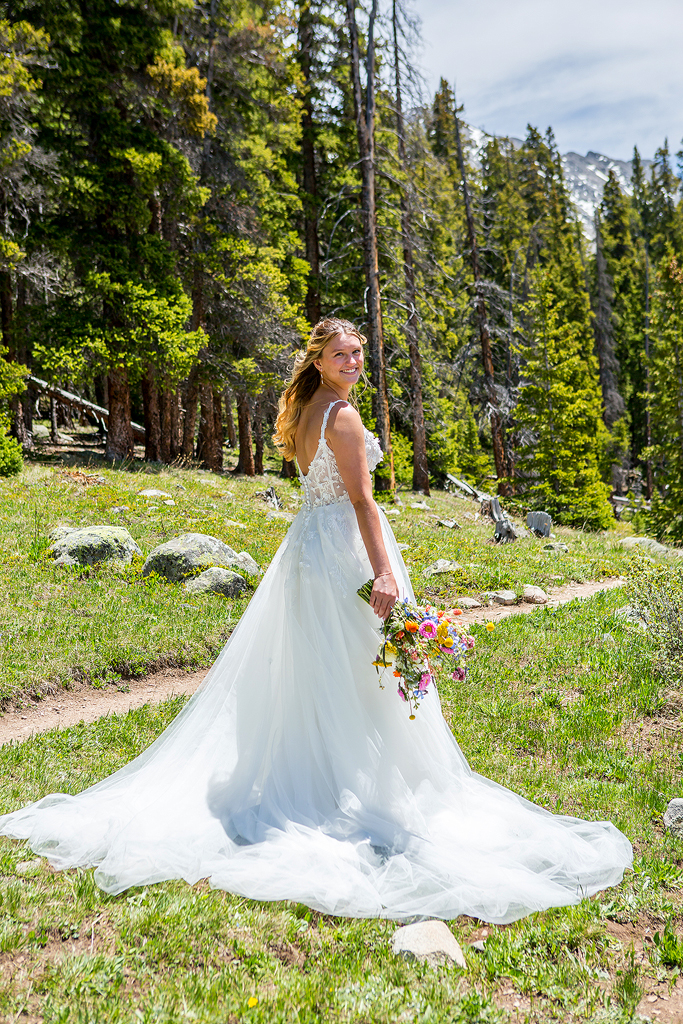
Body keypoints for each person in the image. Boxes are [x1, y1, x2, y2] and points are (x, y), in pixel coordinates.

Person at [0, 317, 631, 923]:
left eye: (358, 354)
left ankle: (324, 773)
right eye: (341, 356)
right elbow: (362, 499)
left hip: (307, 547)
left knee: (322, 668)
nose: (353, 363)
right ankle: (357, 790)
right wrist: (384, 574)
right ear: (318, 362)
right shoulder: (344, 414)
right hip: (344, 552)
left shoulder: (309, 412)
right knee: (363, 672)